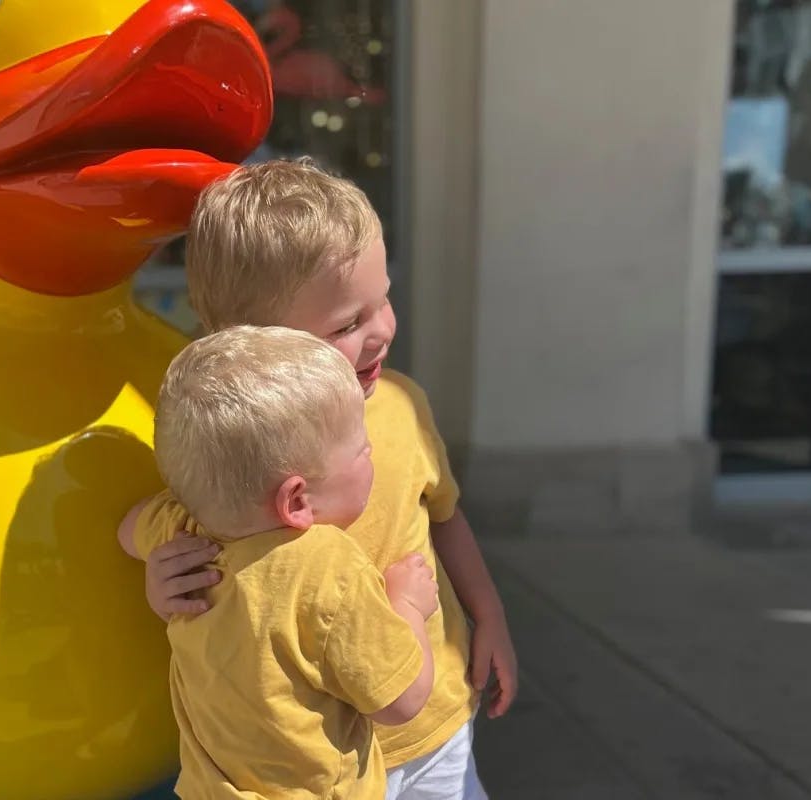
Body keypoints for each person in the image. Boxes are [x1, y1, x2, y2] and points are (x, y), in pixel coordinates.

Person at [131, 159, 516, 798]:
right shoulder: (231, 444)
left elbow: (442, 516)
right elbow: (174, 532)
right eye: (346, 325)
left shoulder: (403, 406)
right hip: (316, 765)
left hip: (437, 721)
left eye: (382, 299)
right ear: (249, 343)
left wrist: (489, 612)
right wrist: (158, 574)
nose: (383, 331)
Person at [119, 324, 439, 799]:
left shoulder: (182, 530)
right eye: (362, 450)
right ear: (297, 501)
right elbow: (402, 700)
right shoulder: (328, 568)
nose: (372, 456)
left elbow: (128, 529)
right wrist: (408, 605)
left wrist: (156, 571)